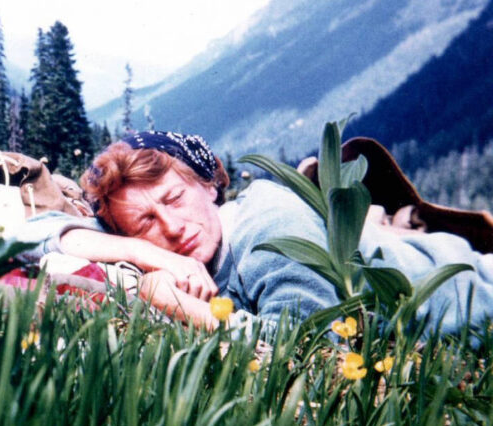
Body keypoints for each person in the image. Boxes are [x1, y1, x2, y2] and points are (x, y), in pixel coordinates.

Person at [31, 130, 493, 337]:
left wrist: (177, 304)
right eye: (144, 223)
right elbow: (32, 233)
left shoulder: (268, 232)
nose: (170, 228)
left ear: (210, 185)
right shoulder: (175, 244)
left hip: (476, 294)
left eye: (174, 199)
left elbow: (313, 343)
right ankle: (388, 219)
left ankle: (399, 222)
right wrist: (154, 256)